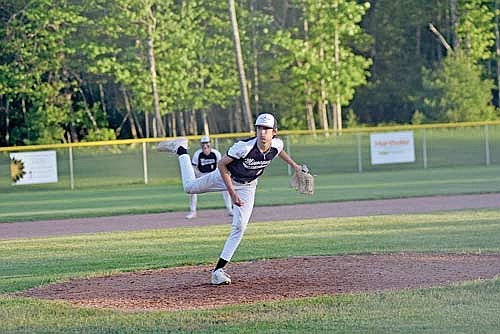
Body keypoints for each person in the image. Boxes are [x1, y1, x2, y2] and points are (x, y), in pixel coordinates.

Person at [157, 113, 302, 285]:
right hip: (224, 176)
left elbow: (278, 151)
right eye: (259, 128)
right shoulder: (244, 147)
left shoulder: (277, 144)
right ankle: (181, 149)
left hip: (248, 186)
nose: (262, 132)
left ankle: (218, 271)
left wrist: (294, 165)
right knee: (189, 187)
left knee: (240, 226)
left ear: (274, 132)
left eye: (266, 129)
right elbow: (222, 164)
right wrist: (232, 193)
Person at [186, 136, 233, 219]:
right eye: (203, 143)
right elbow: (194, 167)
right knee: (192, 190)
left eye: (207, 143)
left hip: (214, 175)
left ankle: (229, 209)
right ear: (201, 145)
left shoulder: (216, 153)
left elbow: (220, 166)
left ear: (210, 144)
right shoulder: (198, 154)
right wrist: (199, 175)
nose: (205, 145)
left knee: (227, 187)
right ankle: (193, 212)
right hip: (202, 175)